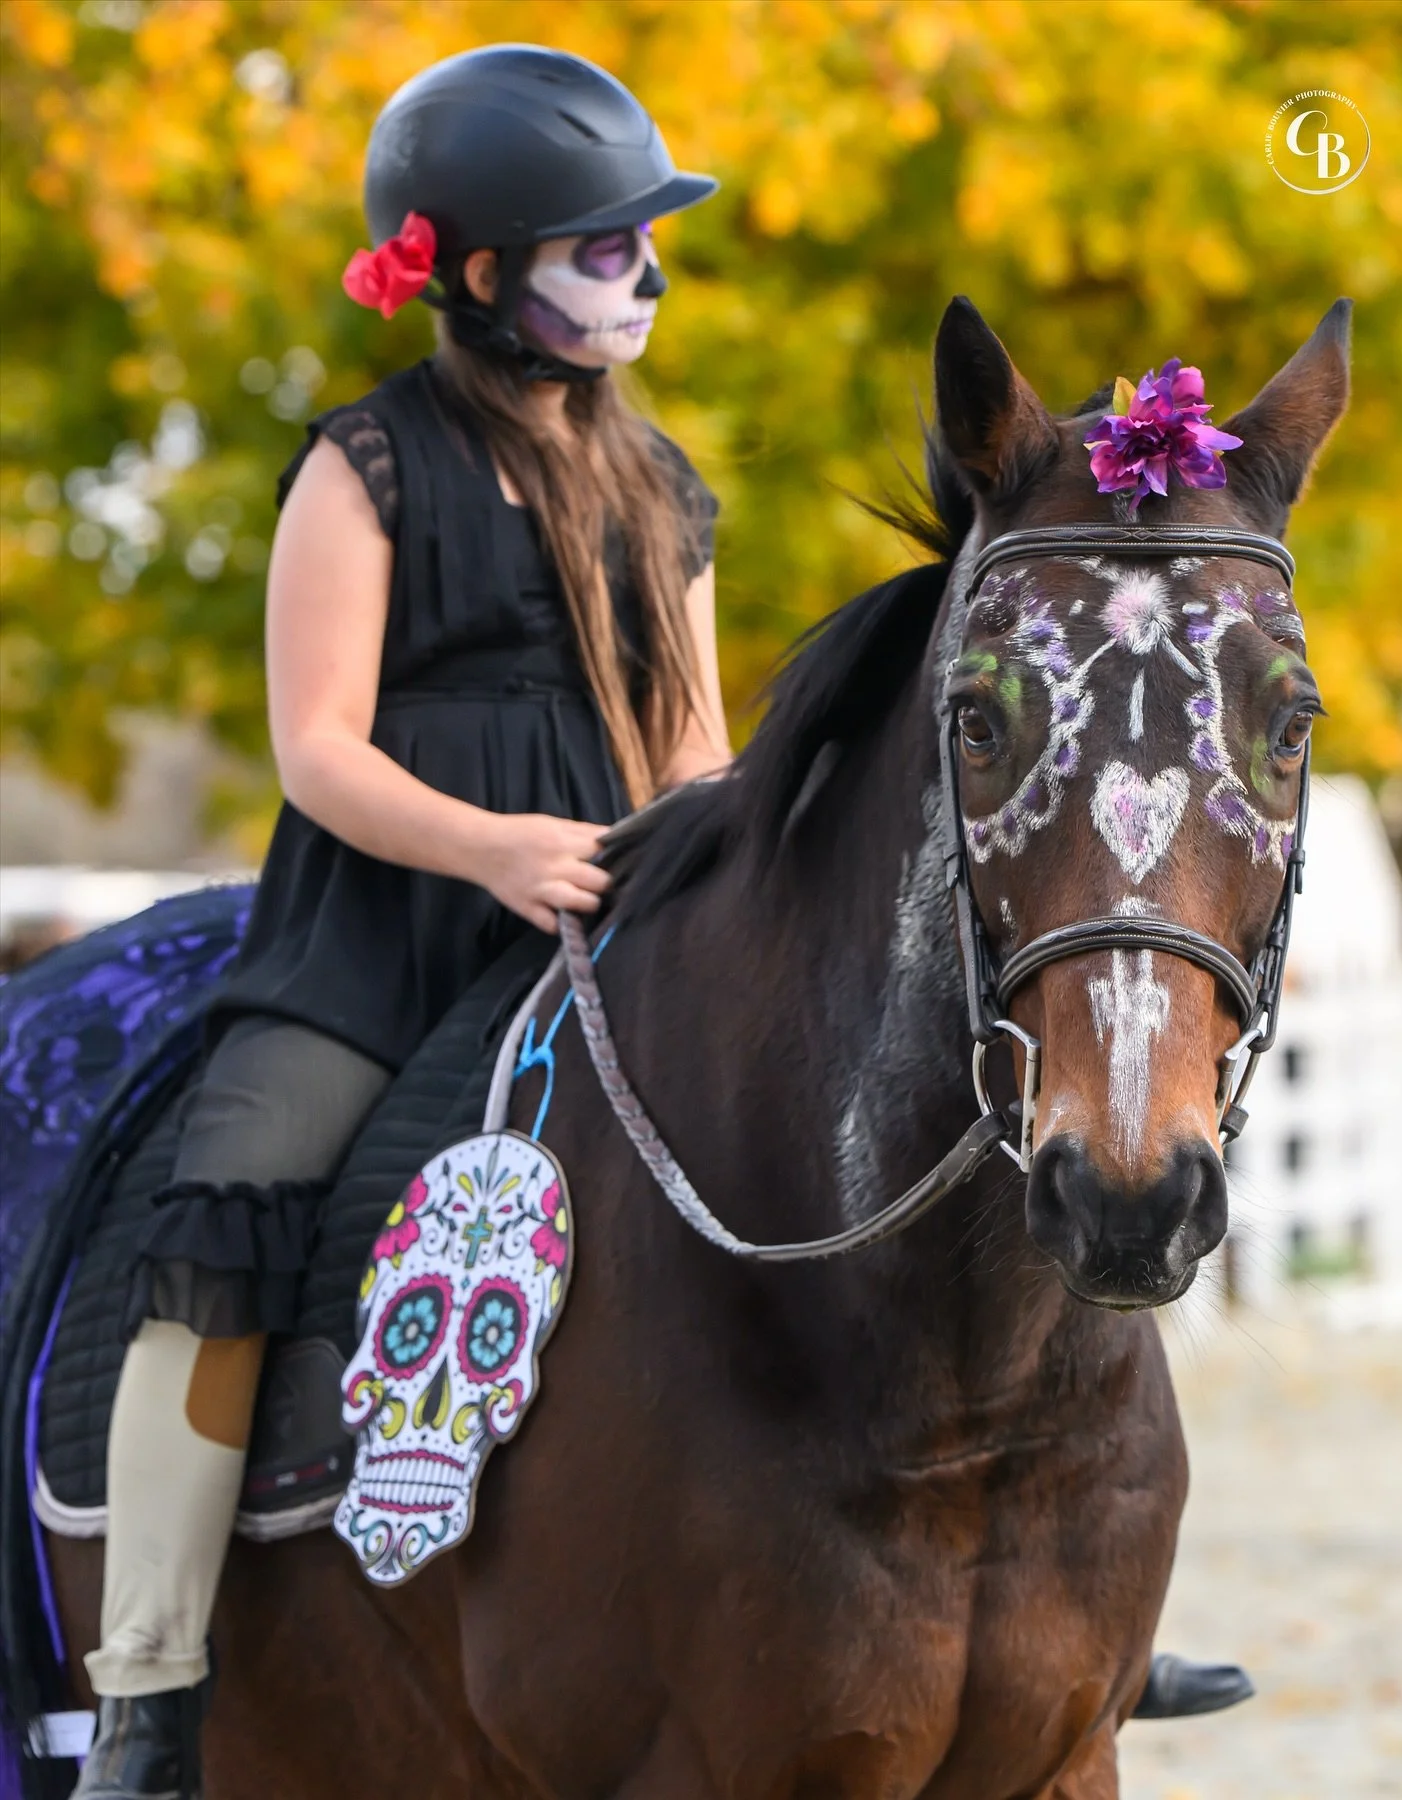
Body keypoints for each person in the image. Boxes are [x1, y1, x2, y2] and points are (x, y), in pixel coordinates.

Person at [73, 46, 730, 1798]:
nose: (647, 281)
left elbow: (696, 757)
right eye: (608, 250)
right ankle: (148, 1686)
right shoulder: (363, 468)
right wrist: (496, 848)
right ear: (488, 273)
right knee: (234, 1207)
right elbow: (316, 750)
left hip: (602, 926)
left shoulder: (662, 499)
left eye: (649, 250)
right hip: (374, 943)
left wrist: (674, 871)